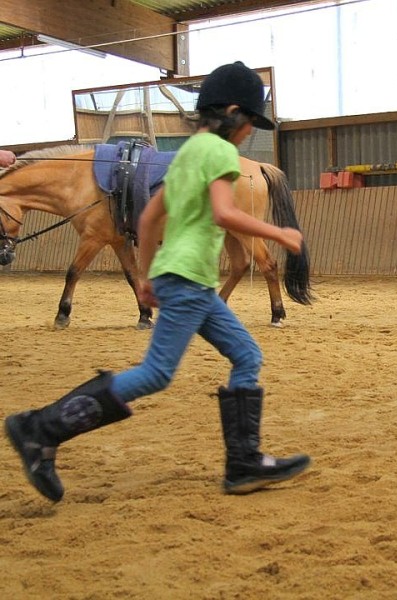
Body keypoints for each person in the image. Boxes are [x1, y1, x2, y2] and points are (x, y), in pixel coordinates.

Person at [4, 61, 311, 502]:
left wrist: (148, 276)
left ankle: (243, 462)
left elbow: (148, 219)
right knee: (156, 373)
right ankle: (40, 428)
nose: (249, 134)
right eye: (249, 123)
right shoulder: (221, 153)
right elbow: (225, 214)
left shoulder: (188, 152)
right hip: (187, 280)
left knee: (246, 354)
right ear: (231, 112)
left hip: (185, 279)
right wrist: (279, 233)